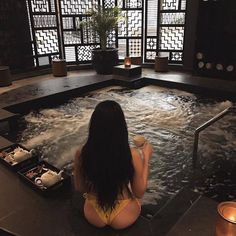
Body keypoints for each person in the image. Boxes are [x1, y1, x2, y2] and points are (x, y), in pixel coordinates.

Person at [74, 100, 153, 229]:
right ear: (122, 127)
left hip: (93, 212)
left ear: (93, 126)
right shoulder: (132, 154)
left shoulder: (81, 153)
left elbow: (81, 188)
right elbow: (139, 192)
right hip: (125, 212)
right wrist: (146, 158)